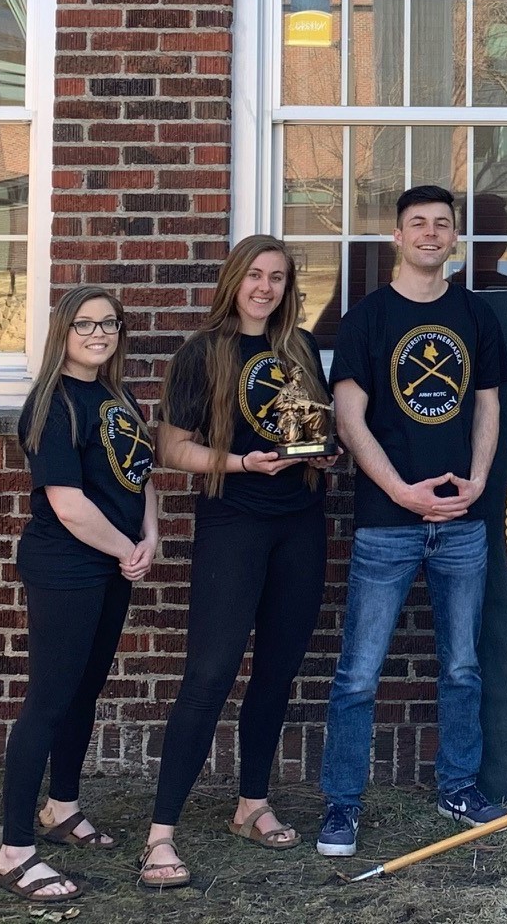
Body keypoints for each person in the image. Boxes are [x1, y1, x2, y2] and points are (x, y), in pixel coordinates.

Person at [317, 185, 507, 858]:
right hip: (384, 521)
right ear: (397, 236)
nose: (430, 233)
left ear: (454, 239)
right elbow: (348, 414)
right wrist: (400, 489)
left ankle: (458, 785)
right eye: (417, 223)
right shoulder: (366, 318)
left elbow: (486, 405)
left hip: (463, 517)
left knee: (461, 664)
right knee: (358, 672)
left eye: (441, 224)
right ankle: (341, 803)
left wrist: (480, 480)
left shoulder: (474, 315)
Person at [140, 236, 338, 889]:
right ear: (234, 279)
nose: (265, 287)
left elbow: (313, 429)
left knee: (278, 670)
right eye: (254, 274)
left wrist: (321, 453)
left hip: (300, 521)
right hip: (234, 522)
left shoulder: (299, 348)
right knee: (210, 670)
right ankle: (161, 834)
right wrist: (240, 462)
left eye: (277, 277)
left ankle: (251, 802)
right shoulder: (203, 352)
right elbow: (171, 446)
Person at [0, 286, 158, 900]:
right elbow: (67, 504)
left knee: (85, 689)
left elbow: (139, 474)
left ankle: (61, 807)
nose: (98, 333)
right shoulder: (51, 403)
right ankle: (14, 850)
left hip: (114, 562)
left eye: (109, 323)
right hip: (67, 564)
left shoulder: (118, 394)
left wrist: (149, 535)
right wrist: (125, 549)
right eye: (85, 324)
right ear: (63, 330)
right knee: (50, 699)